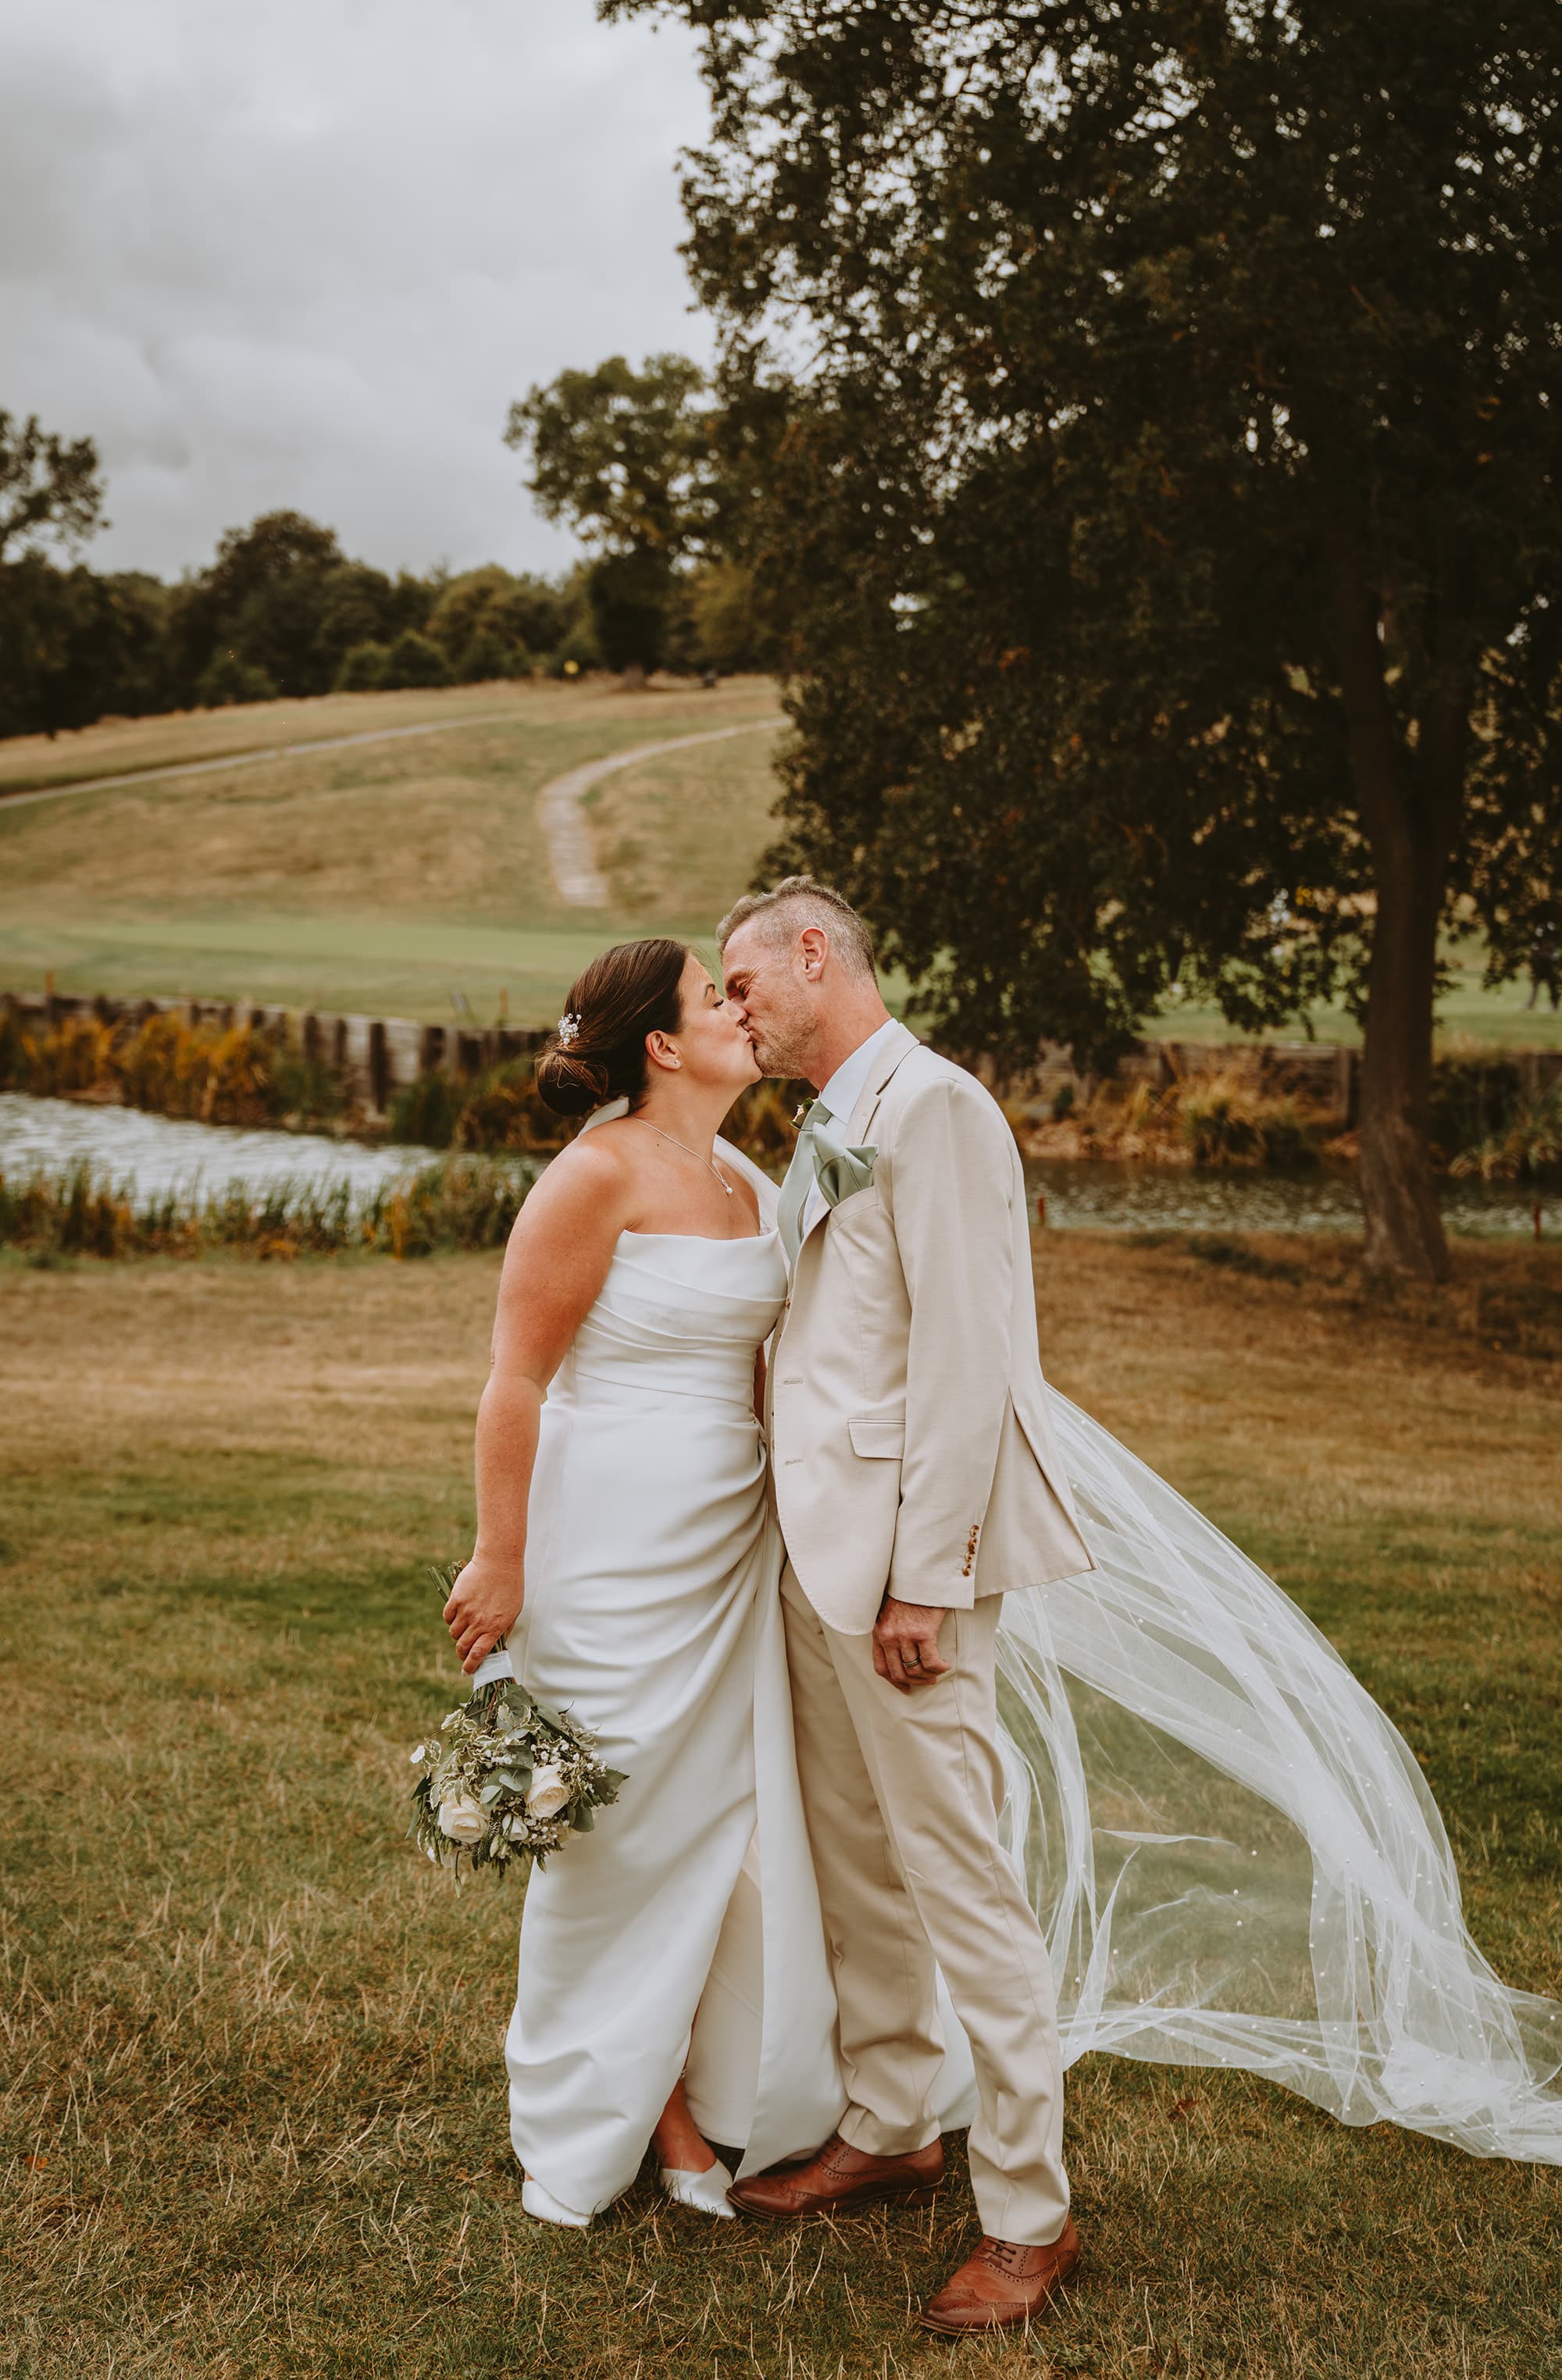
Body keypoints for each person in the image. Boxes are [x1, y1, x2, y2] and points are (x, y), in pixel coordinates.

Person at [717, 879, 1090, 2333]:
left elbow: (968, 1362)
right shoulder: (828, 1115)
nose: (733, 1007)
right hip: (818, 1554)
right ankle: (891, 2122)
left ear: (818, 955)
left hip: (903, 1571)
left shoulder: (933, 1109)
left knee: (961, 1882)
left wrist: (927, 1578)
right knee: (860, 1860)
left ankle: (1028, 2210)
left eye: (746, 981)